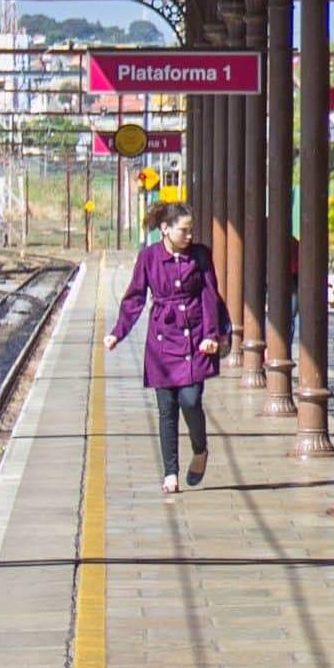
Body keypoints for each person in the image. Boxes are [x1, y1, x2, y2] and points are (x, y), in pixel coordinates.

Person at [105, 202, 229, 495]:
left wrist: (212, 334)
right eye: (183, 230)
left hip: (197, 335)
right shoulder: (148, 258)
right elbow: (134, 298)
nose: (189, 236)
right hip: (163, 338)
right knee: (167, 408)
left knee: (190, 399)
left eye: (191, 230)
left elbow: (211, 295)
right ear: (165, 230)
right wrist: (117, 333)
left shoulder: (200, 256)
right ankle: (170, 471)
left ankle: (200, 450)